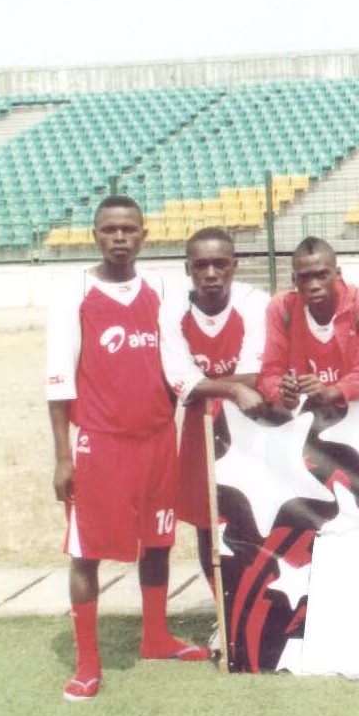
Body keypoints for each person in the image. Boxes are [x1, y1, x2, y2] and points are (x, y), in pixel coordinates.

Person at [45, 195, 207, 701]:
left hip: (158, 439)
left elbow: (178, 357)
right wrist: (62, 455)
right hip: (101, 445)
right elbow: (58, 381)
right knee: (86, 552)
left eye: (129, 230)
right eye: (110, 230)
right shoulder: (73, 291)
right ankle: (88, 661)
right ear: (95, 235)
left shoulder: (161, 287)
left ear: (144, 235)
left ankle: (155, 637)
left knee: (157, 542)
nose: (120, 238)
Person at [159, 227, 269, 602]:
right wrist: (233, 387)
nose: (210, 273)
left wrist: (206, 383)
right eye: (201, 265)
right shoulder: (172, 310)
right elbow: (179, 381)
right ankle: (222, 612)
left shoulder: (255, 303)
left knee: (251, 515)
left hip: (249, 427)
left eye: (220, 264)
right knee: (208, 525)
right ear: (188, 267)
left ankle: (256, 604)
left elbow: (257, 375)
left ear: (234, 266)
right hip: (200, 429)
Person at [257, 236, 359, 412]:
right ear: (294, 280)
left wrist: (332, 391)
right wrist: (282, 392)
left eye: (322, 275)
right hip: (305, 414)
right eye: (305, 278)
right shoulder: (281, 308)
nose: (314, 285)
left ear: (338, 274)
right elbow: (270, 372)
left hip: (356, 411)